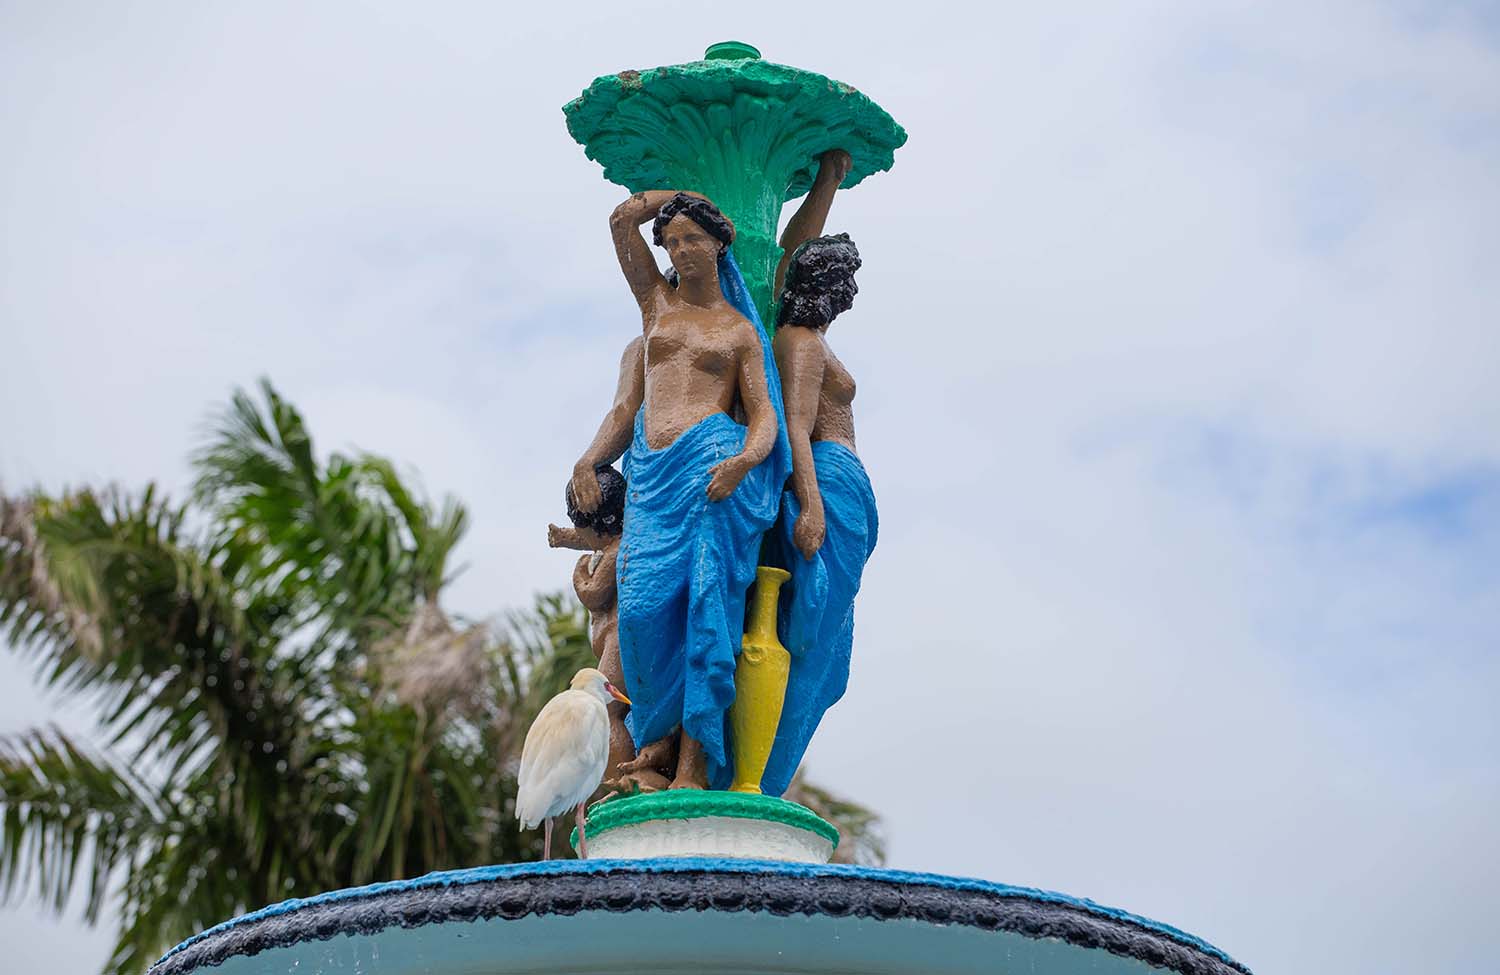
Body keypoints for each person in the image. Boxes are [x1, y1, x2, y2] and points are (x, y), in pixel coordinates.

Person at [570, 188, 790, 791]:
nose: (681, 250)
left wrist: (745, 461)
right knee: (639, 613)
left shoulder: (741, 332)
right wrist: (591, 460)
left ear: (720, 243)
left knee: (706, 618)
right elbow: (620, 219)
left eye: (694, 238)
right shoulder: (657, 309)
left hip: (710, 475)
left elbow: (765, 414)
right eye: (672, 241)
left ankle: (688, 768)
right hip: (653, 479)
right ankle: (654, 744)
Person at [765, 224, 878, 798]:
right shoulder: (801, 342)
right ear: (831, 282)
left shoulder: (813, 339)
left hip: (844, 489)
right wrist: (809, 504)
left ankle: (768, 772)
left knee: (833, 655)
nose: (854, 286)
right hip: (827, 485)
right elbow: (798, 428)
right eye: (848, 276)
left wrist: (830, 179)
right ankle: (764, 778)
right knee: (815, 641)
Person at [547, 466, 656, 792]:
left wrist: (579, 575)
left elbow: (594, 593)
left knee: (607, 712)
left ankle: (619, 780)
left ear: (601, 529)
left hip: (619, 642)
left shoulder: (615, 552)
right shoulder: (617, 539)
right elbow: (590, 538)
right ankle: (623, 776)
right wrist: (565, 539)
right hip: (616, 641)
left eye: (583, 530)